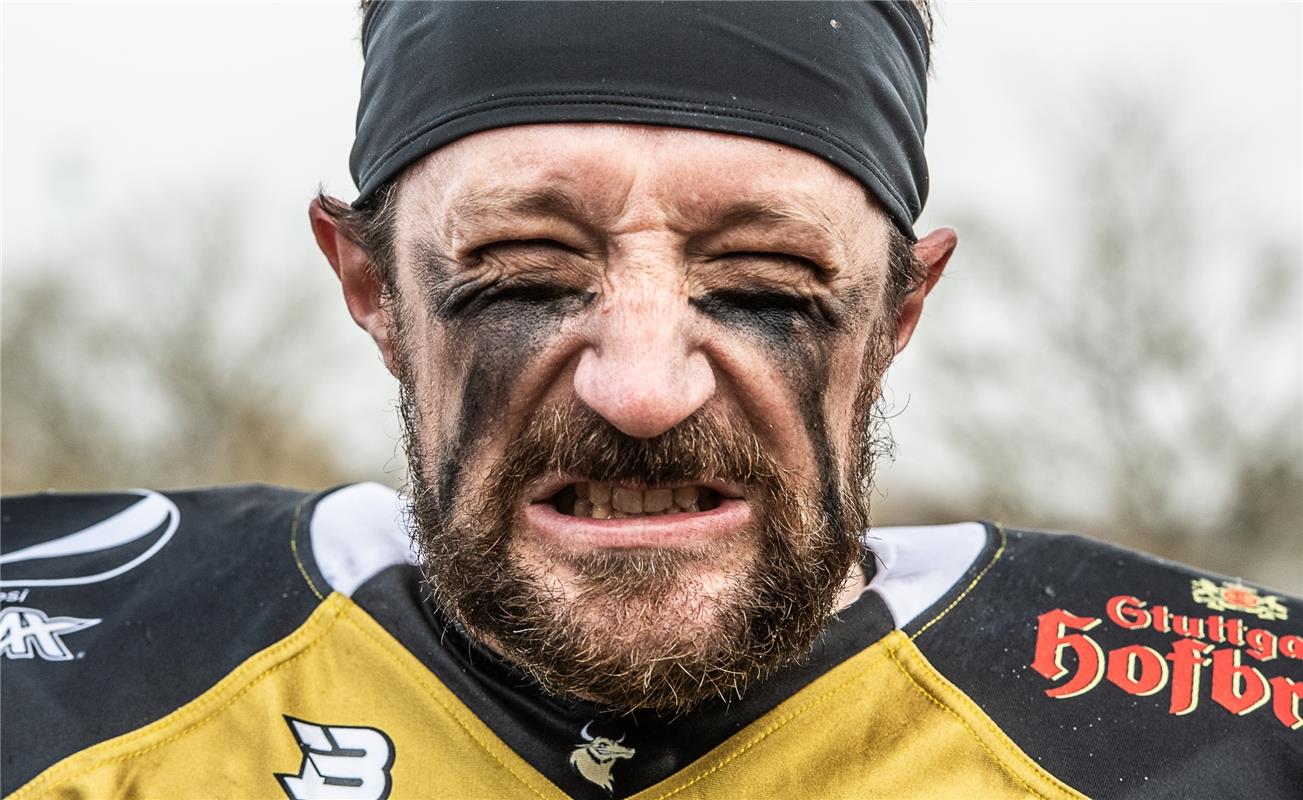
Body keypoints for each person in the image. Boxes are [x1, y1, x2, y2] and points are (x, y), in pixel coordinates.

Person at [2, 3, 1299, 798]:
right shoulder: (70, 705)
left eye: (766, 284)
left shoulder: (1234, 736)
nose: (638, 387)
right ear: (372, 288)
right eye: (519, 274)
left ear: (899, 311)